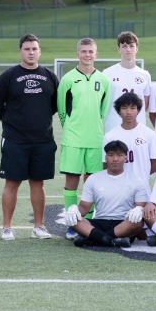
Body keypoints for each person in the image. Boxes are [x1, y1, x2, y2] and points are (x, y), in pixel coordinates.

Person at [0, 33, 59, 240]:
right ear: (20, 51)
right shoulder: (9, 76)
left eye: (34, 49)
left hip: (43, 140)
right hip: (15, 140)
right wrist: (12, 122)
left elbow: (55, 104)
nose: (31, 52)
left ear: (39, 51)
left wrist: (40, 118)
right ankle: (7, 227)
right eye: (27, 49)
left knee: (38, 184)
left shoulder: (49, 76)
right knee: (12, 183)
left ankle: (39, 227)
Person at [58, 37, 111, 240]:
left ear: (96, 54)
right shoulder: (68, 79)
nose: (87, 55)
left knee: (92, 183)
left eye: (91, 52)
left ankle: (86, 222)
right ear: (77, 54)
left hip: (95, 139)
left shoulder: (104, 80)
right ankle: (72, 224)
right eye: (84, 51)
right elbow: (62, 110)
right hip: (73, 139)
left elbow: (102, 111)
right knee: (71, 181)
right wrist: (71, 129)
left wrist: (93, 129)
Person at [63, 140, 148, 248]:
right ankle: (112, 241)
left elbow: (141, 206)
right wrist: (74, 210)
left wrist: (139, 210)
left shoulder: (137, 180)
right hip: (99, 222)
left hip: (123, 223)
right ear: (106, 157)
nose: (115, 159)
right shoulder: (93, 179)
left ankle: (94, 240)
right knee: (73, 221)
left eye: (119, 155)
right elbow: (84, 208)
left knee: (138, 223)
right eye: (111, 155)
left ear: (125, 158)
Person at [102, 92, 156, 189]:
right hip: (118, 189)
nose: (129, 112)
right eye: (124, 108)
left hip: (142, 188)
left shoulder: (149, 134)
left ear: (138, 110)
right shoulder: (110, 136)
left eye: (133, 108)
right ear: (119, 111)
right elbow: (105, 164)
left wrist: (142, 175)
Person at [102, 31, 151, 132]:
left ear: (136, 49)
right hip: (113, 126)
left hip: (138, 128)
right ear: (119, 49)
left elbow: (144, 105)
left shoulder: (145, 75)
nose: (128, 49)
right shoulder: (107, 73)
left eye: (131, 46)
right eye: (124, 46)